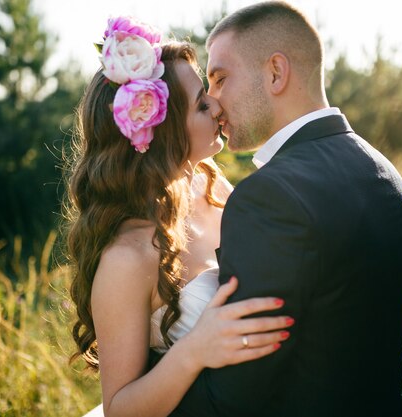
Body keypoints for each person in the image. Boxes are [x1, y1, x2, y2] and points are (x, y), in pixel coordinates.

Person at [168, 2, 402, 416]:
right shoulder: (384, 171)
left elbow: (235, 396)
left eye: (220, 79)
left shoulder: (268, 197)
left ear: (275, 72)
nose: (213, 101)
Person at [65, 17, 294, 417]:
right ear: (165, 132)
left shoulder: (210, 183)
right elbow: (119, 408)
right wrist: (194, 350)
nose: (218, 105)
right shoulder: (127, 257)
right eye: (202, 104)